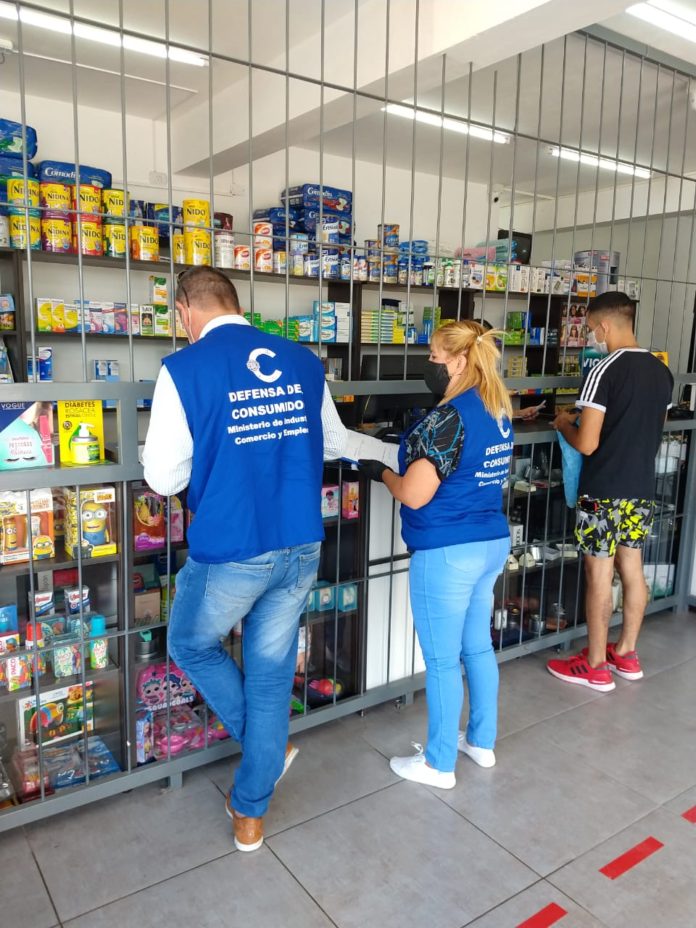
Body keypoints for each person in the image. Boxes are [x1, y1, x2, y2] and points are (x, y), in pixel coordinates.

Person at [142, 267, 395, 852]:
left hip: (234, 550)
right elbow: (335, 442)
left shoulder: (183, 368)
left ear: (185, 311)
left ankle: (268, 749)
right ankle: (249, 812)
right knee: (271, 672)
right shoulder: (303, 360)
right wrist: (393, 451)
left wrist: (216, 453)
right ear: (236, 303)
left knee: (190, 644)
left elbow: (163, 477)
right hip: (300, 543)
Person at [359, 320, 513, 787]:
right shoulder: (497, 407)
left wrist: (381, 472)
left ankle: (438, 764)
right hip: (490, 542)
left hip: (448, 551)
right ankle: (481, 742)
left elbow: (414, 493)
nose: (428, 365)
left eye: (434, 357)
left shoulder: (448, 418)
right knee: (478, 647)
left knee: (444, 661)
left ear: (460, 362)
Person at [548, 291, 673, 692]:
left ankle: (596, 665)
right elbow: (647, 428)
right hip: (640, 487)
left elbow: (587, 444)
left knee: (599, 573)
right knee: (632, 568)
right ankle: (627, 653)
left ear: (604, 325)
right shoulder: (661, 371)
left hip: (602, 490)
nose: (590, 338)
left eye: (589, 330)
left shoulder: (603, 370)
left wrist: (563, 424)